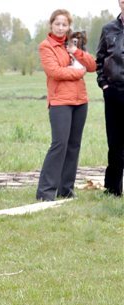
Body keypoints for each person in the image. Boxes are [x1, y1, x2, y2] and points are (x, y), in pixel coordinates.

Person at [35, 9, 96, 201]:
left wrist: (76, 52)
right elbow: (55, 72)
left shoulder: (74, 44)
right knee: (59, 145)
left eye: (64, 24)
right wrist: (78, 72)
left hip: (80, 101)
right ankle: (45, 192)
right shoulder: (46, 47)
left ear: (69, 26)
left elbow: (93, 66)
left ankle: (66, 190)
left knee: (73, 146)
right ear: (51, 25)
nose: (61, 28)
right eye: (57, 24)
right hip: (60, 102)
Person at [96, 0, 124, 197]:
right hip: (113, 92)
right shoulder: (108, 29)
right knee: (114, 142)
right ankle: (113, 188)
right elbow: (99, 59)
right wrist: (104, 85)